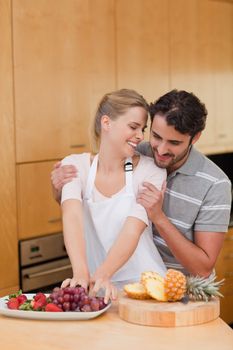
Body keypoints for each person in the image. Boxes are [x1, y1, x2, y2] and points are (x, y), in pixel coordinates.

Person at [51, 89, 232, 278]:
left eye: (174, 143)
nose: (161, 150)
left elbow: (203, 268)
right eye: (155, 136)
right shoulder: (139, 152)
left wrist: (159, 217)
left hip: (187, 293)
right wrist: (59, 188)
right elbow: (89, 203)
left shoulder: (216, 184)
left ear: (195, 138)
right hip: (136, 284)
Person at [57, 88, 167, 303]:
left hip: (147, 288)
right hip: (99, 289)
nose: (140, 136)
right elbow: (72, 216)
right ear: (106, 123)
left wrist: (103, 273)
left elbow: (133, 228)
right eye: (133, 127)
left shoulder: (151, 171)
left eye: (142, 129)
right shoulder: (74, 165)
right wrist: (80, 273)